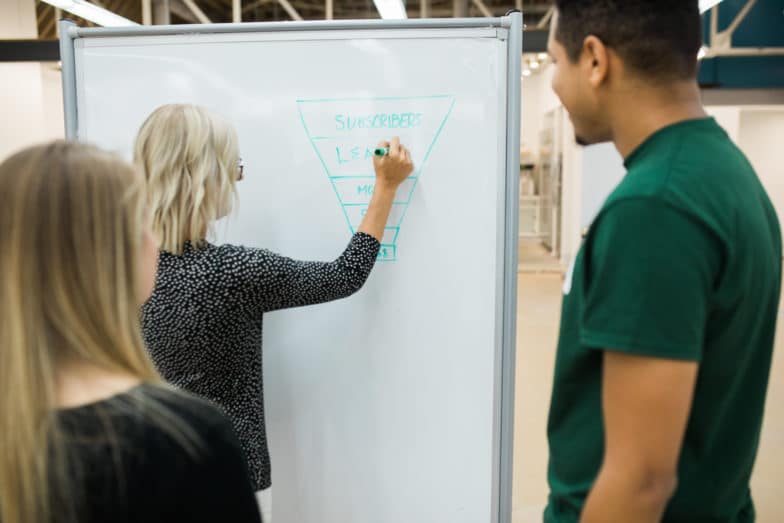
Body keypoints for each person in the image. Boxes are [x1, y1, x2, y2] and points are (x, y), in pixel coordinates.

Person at [544, 1, 781, 521]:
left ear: (595, 60)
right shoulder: (723, 173)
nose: (556, 86)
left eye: (556, 63)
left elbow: (641, 481)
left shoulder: (654, 208)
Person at [134, 103, 414, 521]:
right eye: (234, 166)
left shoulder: (116, 268)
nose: (237, 178)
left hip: (149, 470)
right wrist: (386, 188)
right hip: (229, 477)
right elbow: (345, 274)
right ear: (205, 176)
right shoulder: (232, 272)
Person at [0, 141, 262, 523]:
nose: (154, 240)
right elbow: (341, 276)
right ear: (115, 253)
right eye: (144, 223)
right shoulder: (185, 438)